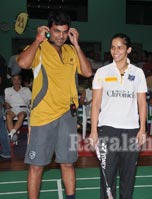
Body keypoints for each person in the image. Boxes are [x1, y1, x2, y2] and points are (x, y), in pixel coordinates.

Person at [16, 11, 92, 199]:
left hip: (68, 116)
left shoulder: (71, 51)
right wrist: (37, 40)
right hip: (44, 115)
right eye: (57, 31)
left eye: (64, 32)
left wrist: (76, 44)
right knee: (36, 166)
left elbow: (88, 72)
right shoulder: (39, 49)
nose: (61, 36)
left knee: (67, 163)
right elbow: (23, 63)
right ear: (49, 30)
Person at [89, 33, 147, 199]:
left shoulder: (138, 73)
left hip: (131, 131)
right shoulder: (102, 72)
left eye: (120, 47)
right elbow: (96, 103)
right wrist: (93, 131)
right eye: (113, 47)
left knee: (128, 178)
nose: (116, 51)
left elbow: (142, 103)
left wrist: (142, 129)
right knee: (107, 180)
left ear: (128, 49)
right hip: (107, 130)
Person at [4, 74, 31, 142]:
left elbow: (31, 100)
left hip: (23, 108)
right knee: (8, 115)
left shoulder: (26, 89)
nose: (16, 81)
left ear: (20, 81)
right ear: (12, 81)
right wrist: (6, 104)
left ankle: (11, 133)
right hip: (12, 108)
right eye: (14, 79)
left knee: (21, 115)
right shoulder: (7, 90)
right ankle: (13, 134)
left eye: (18, 79)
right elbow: (5, 101)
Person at [0, 54, 11, 160]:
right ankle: (6, 151)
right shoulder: (2, 61)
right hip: (1, 95)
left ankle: (6, 151)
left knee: (0, 125)